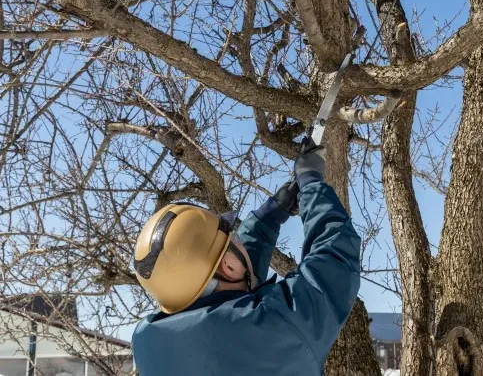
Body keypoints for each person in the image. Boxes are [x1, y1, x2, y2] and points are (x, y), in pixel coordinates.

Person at [131, 141, 361, 375]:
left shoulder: (147, 344)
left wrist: (268, 217)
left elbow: (231, 289)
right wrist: (311, 184)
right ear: (229, 266)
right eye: (234, 240)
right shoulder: (277, 326)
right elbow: (334, 259)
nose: (240, 239)